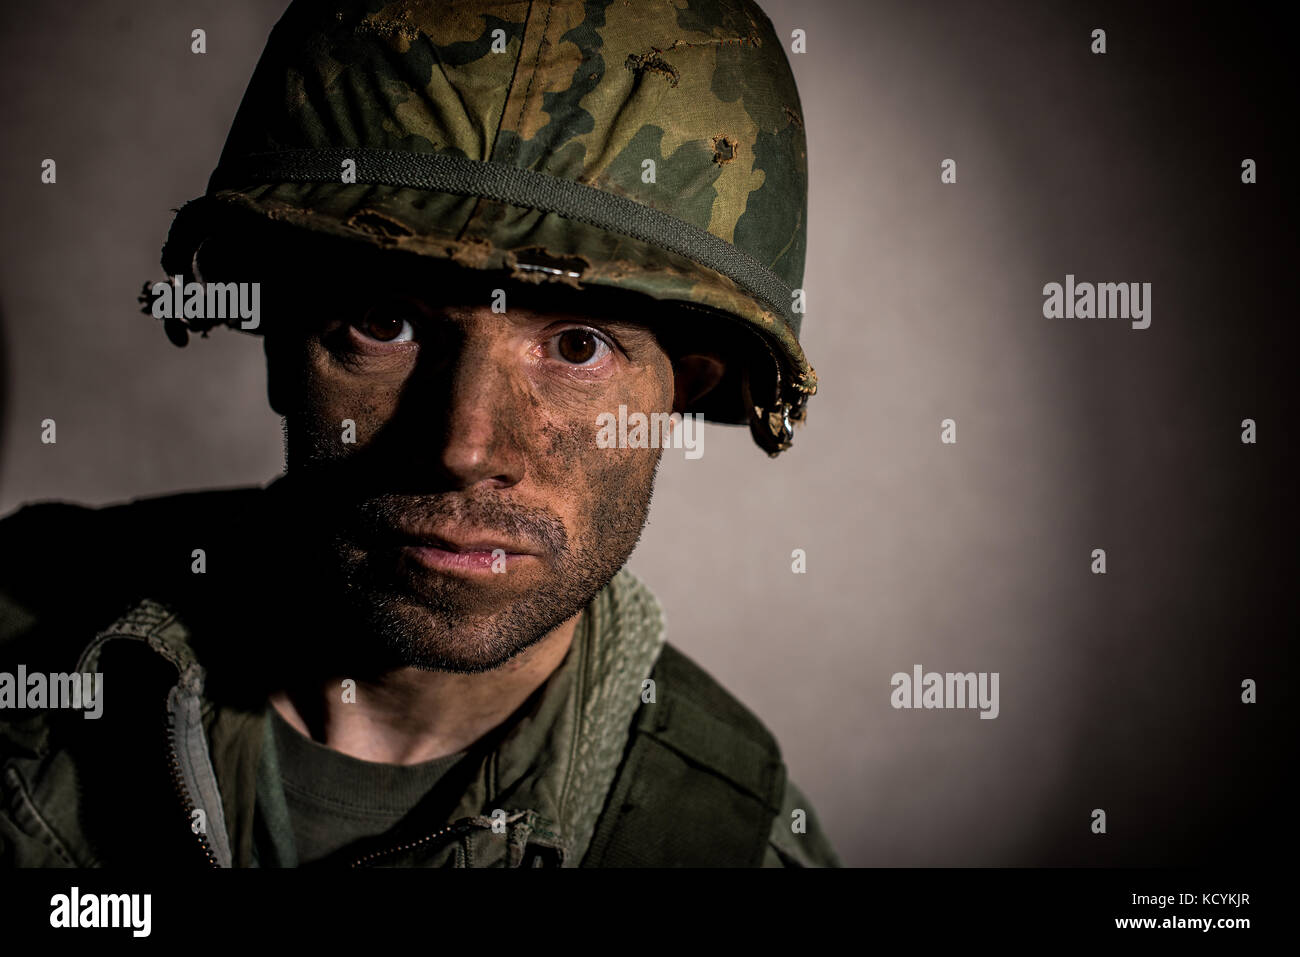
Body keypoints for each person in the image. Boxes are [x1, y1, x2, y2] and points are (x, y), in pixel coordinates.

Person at [0, 0, 834, 867]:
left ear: (683, 386)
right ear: (282, 342)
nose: (463, 447)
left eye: (577, 346)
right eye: (384, 321)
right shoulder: (27, 638)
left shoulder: (729, 844)